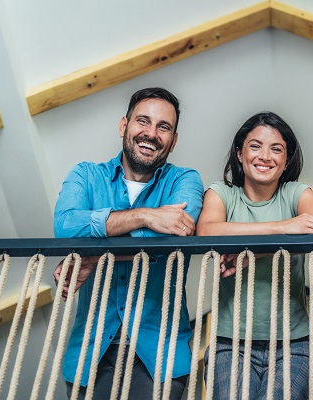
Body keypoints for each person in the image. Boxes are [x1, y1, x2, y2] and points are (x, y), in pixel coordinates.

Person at [53, 87, 204, 399]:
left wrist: (95, 255)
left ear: (173, 141)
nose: (151, 134)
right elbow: (65, 226)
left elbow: (170, 241)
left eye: (164, 127)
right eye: (143, 121)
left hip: (158, 355)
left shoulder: (185, 181)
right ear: (124, 126)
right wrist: (146, 216)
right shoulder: (85, 174)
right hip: (89, 354)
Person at [196, 111, 313, 399]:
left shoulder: (296, 193)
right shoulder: (221, 194)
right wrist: (286, 227)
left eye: (276, 149)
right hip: (228, 343)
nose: (265, 156)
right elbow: (207, 231)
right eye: (255, 145)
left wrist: (251, 253)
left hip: (295, 345)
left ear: (286, 160)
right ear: (239, 153)